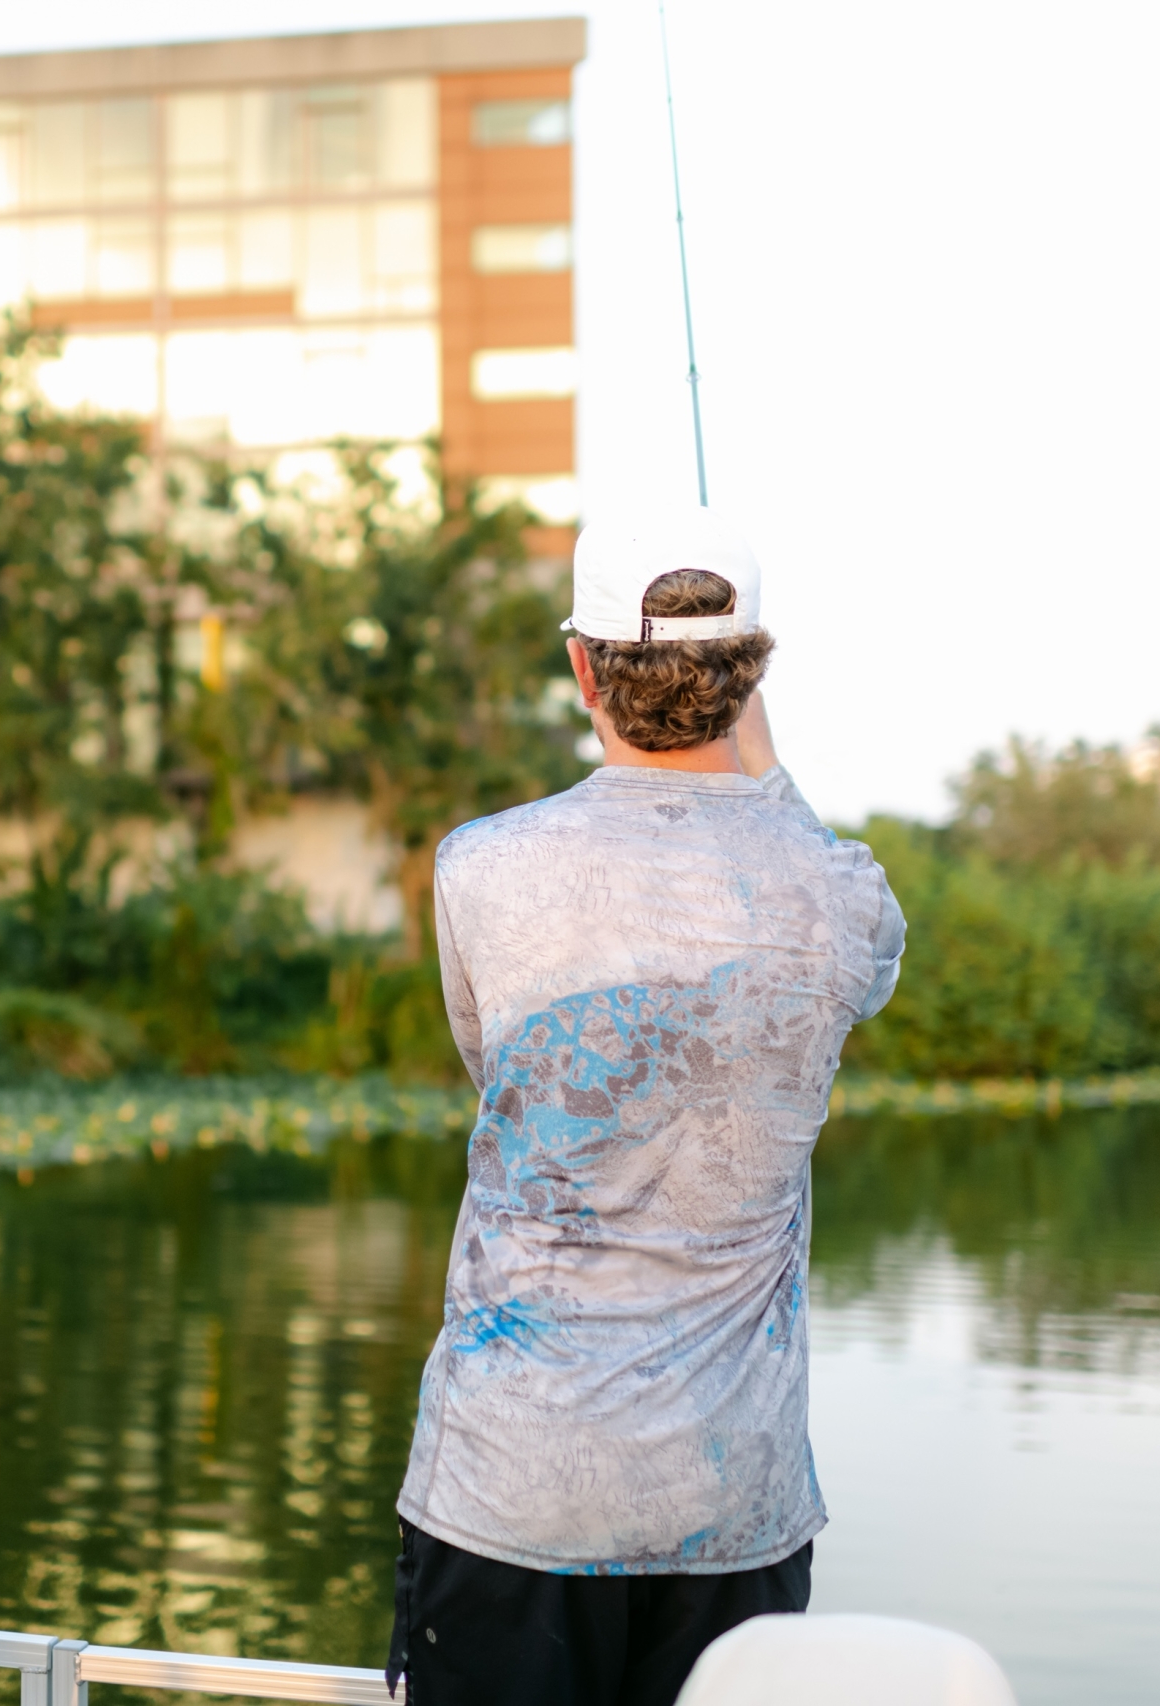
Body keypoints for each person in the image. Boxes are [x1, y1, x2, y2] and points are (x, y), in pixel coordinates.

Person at [386, 513, 904, 1704]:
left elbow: (493, 1068)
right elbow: (838, 913)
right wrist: (758, 764)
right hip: (736, 1510)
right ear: (753, 670)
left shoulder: (480, 864)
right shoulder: (839, 893)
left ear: (583, 668)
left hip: (510, 1492)